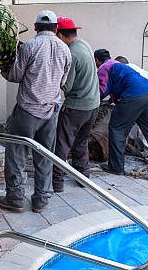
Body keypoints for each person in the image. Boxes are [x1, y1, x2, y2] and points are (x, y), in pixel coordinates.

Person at [0, 10, 71, 213]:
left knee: (16, 153)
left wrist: (2, 68)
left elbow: (15, 75)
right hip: (52, 111)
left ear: (36, 27)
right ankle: (41, 199)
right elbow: (63, 81)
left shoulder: (29, 46)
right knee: (45, 155)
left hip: (28, 111)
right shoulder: (65, 49)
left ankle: (15, 198)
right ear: (56, 29)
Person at [102, 60, 148, 178]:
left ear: (96, 60)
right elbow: (118, 86)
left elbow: (102, 90)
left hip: (133, 96)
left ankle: (115, 167)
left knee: (117, 129)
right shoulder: (122, 67)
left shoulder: (104, 67)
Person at [52, 17, 100, 192]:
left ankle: (57, 183)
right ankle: (83, 177)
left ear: (60, 35)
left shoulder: (72, 54)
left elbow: (67, 86)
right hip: (93, 105)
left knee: (62, 144)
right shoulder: (84, 45)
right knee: (81, 142)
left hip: (76, 107)